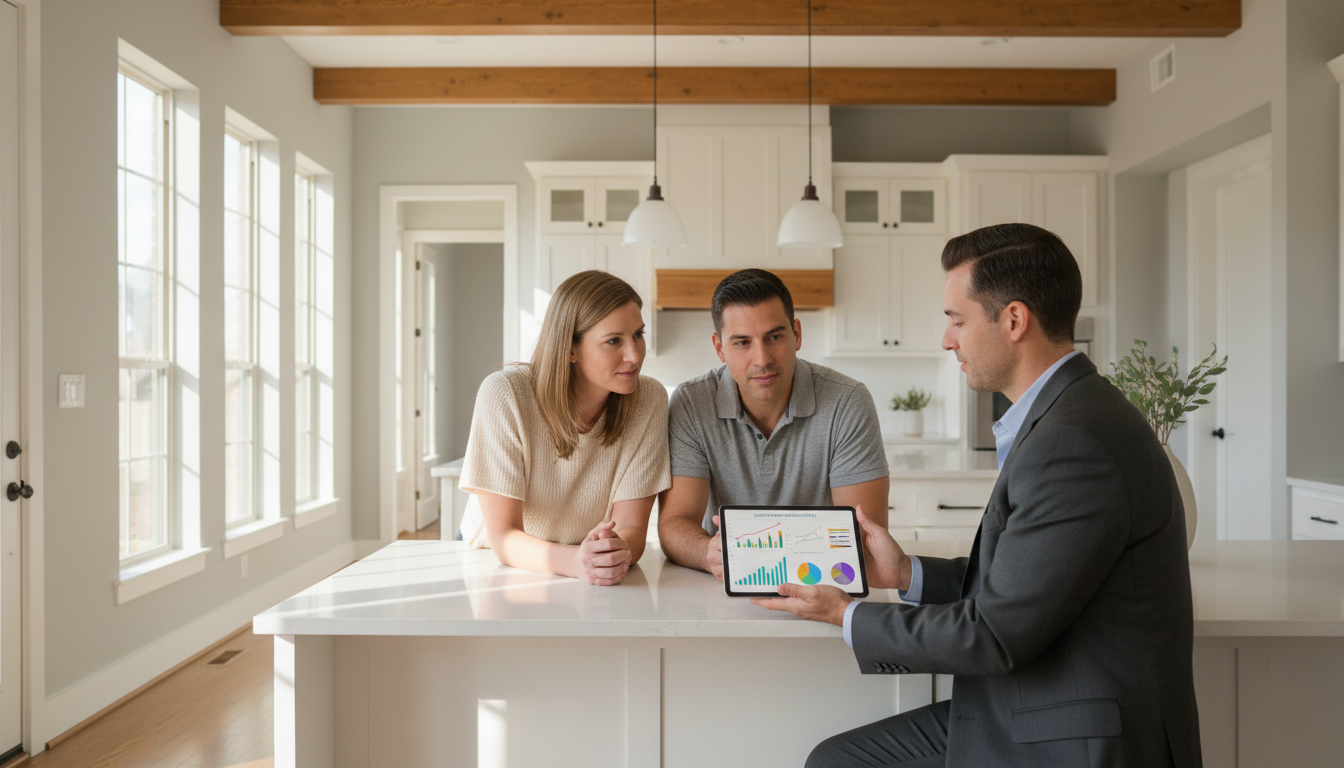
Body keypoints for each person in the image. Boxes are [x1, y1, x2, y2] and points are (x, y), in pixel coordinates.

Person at [753, 223, 1201, 768]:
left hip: (1079, 735)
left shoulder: (1075, 443)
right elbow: (1022, 583)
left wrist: (847, 615)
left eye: (956, 319)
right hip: (1045, 702)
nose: (947, 339)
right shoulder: (1071, 414)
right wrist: (906, 574)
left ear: (1013, 320)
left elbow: (992, 634)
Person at [658, 268, 890, 580]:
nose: (763, 358)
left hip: (823, 584)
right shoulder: (690, 402)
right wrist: (707, 553)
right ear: (719, 348)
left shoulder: (847, 401)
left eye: (775, 336)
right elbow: (675, 525)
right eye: (742, 342)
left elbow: (862, 537)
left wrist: (760, 556)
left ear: (797, 334)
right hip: (721, 589)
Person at [457, 270, 670, 586]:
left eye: (638, 334)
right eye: (614, 341)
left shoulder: (649, 399)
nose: (635, 355)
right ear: (570, 349)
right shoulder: (505, 394)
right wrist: (578, 562)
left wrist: (613, 551)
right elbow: (503, 535)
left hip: (585, 565)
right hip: (499, 563)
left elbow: (633, 529)